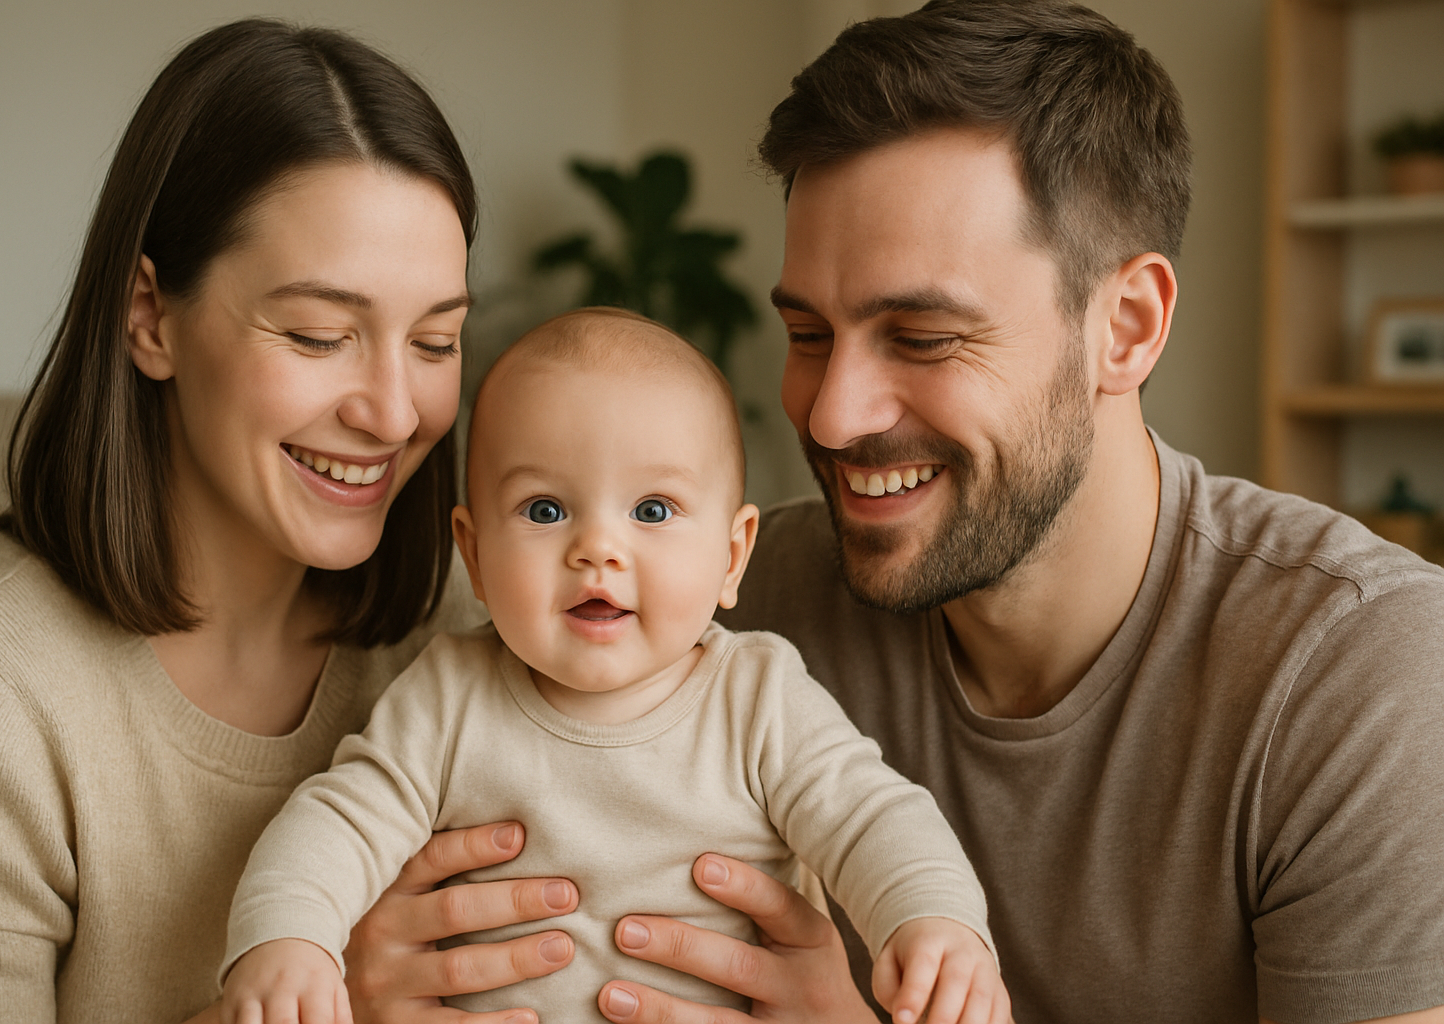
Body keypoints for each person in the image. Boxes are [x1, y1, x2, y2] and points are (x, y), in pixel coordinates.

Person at [513, 4, 1444, 1024]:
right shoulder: (715, 602)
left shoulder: (1361, 675)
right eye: (809, 334)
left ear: (1126, 328)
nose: (831, 415)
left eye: (922, 337)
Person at [0, 20, 586, 1024]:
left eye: (436, 342)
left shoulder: (476, 636)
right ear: (150, 317)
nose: (394, 414)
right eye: (318, 335)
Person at [217, 308, 1008, 1024]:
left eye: (652, 510)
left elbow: (871, 818)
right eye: (545, 510)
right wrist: (289, 940)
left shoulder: (758, 698)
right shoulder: (448, 695)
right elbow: (340, 822)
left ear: (733, 555)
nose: (597, 548)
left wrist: (932, 922)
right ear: (475, 555)